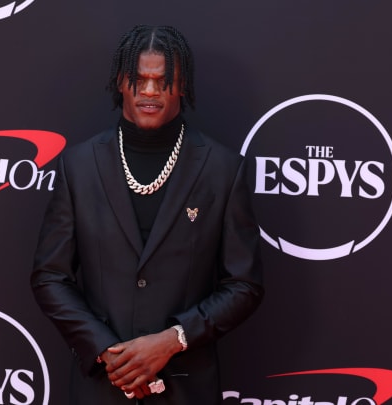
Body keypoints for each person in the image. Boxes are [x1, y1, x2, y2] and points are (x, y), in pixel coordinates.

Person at [31, 24, 264, 404]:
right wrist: (108, 353)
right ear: (120, 82)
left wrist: (174, 339)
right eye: (139, 79)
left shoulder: (223, 169)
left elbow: (244, 284)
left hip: (187, 388)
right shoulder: (79, 166)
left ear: (183, 86)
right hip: (101, 388)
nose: (151, 92)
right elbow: (50, 277)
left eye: (163, 80)